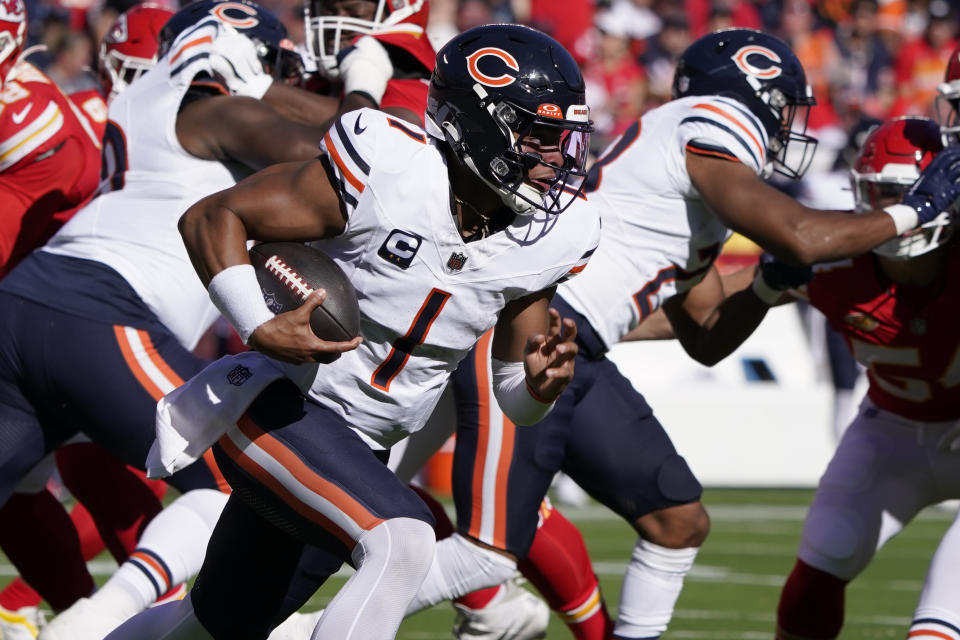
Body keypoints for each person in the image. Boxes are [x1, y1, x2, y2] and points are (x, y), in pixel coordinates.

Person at [392, 27, 960, 640]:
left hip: (576, 337)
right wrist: (913, 211)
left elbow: (706, 335)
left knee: (678, 520)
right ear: (756, 99)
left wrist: (768, 286)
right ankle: (318, 627)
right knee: (486, 552)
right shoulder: (713, 120)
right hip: (540, 331)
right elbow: (802, 235)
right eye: (782, 109)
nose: (785, 128)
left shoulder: (687, 190)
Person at [105, 22, 600, 640]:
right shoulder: (391, 169)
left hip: (367, 447)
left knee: (207, 629)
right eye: (538, 137)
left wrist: (539, 387)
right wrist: (257, 323)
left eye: (563, 142)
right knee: (404, 540)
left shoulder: (555, 234)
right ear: (477, 124)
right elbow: (214, 215)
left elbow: (514, 398)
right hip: (285, 404)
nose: (555, 160)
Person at [0, 1, 361, 638]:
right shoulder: (215, 108)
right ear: (241, 54)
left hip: (29, 299)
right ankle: (94, 625)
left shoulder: (137, 97)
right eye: (276, 65)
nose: (287, 80)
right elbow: (339, 155)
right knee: (244, 484)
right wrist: (367, 84)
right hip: (104, 308)